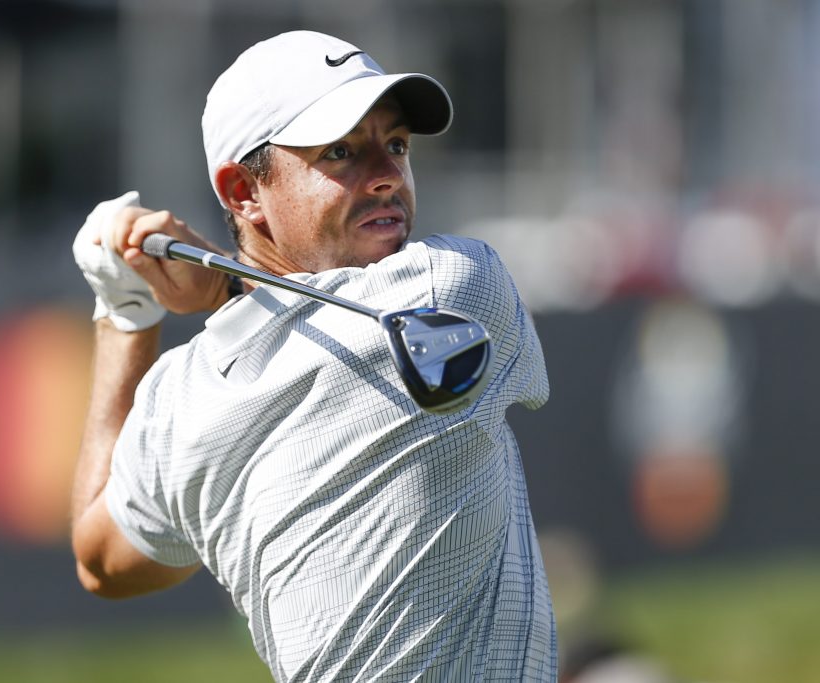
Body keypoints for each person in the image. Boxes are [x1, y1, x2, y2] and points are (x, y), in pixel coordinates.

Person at [70, 30, 555, 681]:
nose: (386, 176)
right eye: (342, 152)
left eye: (396, 144)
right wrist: (221, 288)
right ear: (243, 192)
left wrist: (126, 315)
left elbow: (99, 557)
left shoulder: (178, 404)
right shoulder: (452, 289)